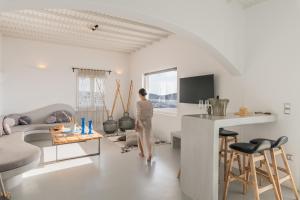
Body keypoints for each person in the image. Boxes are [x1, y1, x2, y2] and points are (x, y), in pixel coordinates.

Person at [136, 88, 153, 162]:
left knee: (141, 138)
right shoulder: (150, 102)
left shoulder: (139, 103)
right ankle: (147, 153)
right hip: (148, 122)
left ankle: (146, 154)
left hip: (141, 122)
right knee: (148, 138)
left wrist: (137, 123)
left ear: (140, 94)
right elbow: (152, 113)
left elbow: (138, 114)